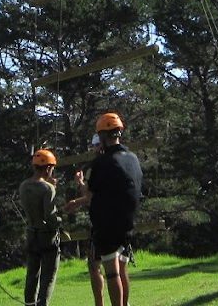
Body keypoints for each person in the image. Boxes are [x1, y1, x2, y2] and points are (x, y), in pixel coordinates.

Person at [70, 113, 142, 306]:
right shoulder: (133, 158)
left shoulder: (102, 162)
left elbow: (90, 195)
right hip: (128, 222)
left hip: (108, 224)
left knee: (112, 272)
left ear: (102, 135)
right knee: (123, 267)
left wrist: (80, 184)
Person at [18, 149, 62, 306]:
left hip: (31, 234)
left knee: (32, 275)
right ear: (48, 168)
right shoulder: (48, 189)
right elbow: (50, 216)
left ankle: (29, 304)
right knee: (48, 276)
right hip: (47, 236)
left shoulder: (23, 186)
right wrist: (60, 221)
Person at [66, 134, 105, 306]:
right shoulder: (119, 162)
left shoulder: (96, 167)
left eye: (95, 145)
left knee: (95, 265)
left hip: (102, 223)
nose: (94, 149)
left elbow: (90, 197)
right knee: (119, 265)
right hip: (120, 221)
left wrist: (79, 191)